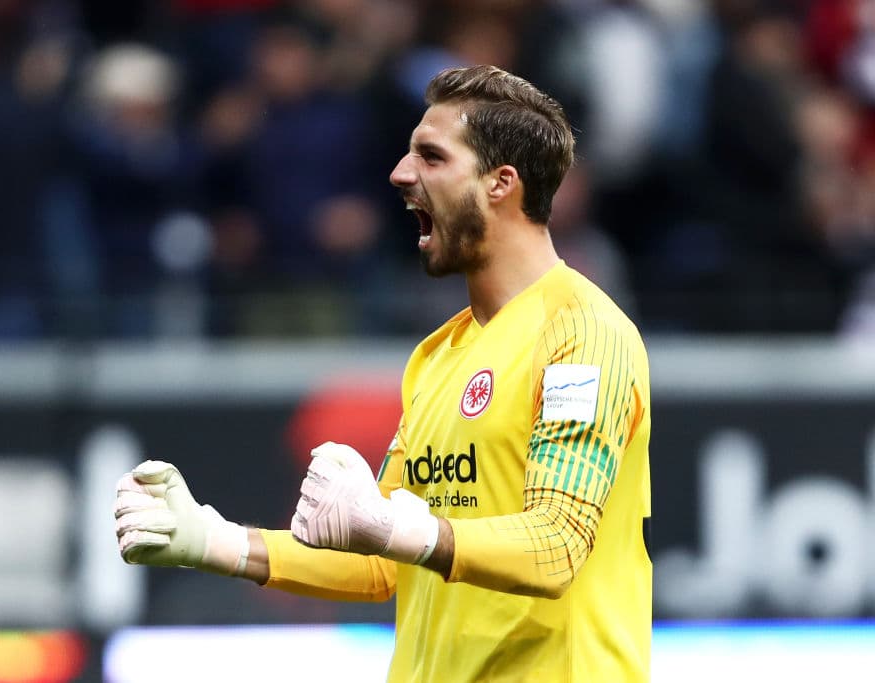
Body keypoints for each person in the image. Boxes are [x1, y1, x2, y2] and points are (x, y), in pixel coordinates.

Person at [114, 64, 652, 682]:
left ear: (501, 183)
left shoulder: (583, 330)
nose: (400, 173)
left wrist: (399, 525)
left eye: (431, 156)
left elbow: (557, 544)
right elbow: (383, 562)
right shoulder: (438, 355)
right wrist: (215, 541)